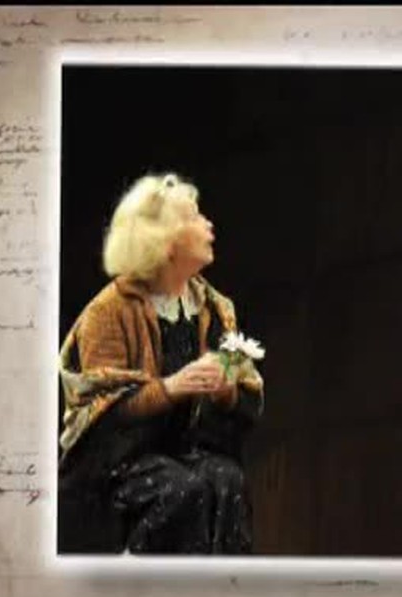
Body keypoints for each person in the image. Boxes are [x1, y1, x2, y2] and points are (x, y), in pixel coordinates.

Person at [57, 173, 264, 555]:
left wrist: (226, 391)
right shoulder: (109, 311)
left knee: (227, 480)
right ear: (164, 240)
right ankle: (145, 588)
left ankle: (226, 591)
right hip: (119, 466)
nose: (209, 224)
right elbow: (101, 414)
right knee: (181, 489)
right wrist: (170, 388)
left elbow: (245, 400)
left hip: (186, 453)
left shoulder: (215, 307)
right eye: (194, 216)